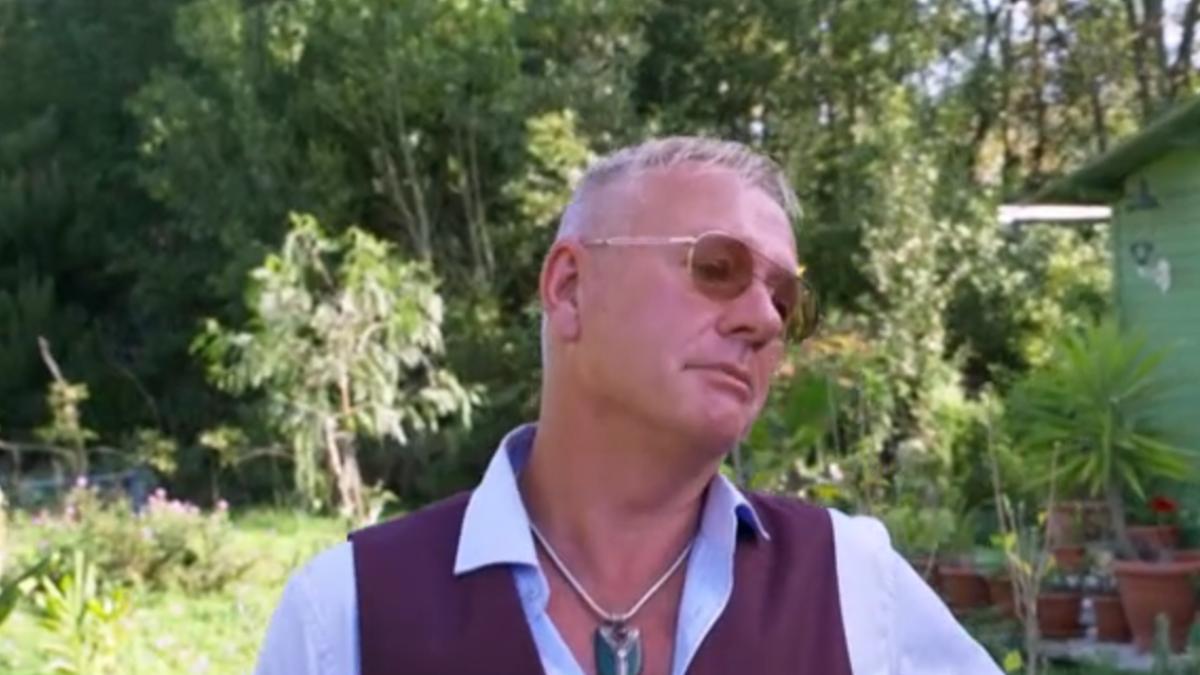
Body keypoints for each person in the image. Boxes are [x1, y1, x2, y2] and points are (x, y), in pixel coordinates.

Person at [255, 137, 1002, 675]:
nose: (764, 319)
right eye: (718, 266)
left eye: (785, 300)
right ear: (569, 288)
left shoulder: (853, 584)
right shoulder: (347, 616)